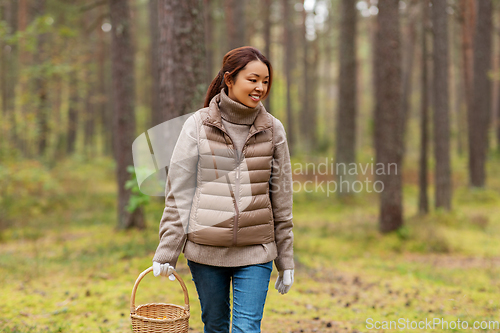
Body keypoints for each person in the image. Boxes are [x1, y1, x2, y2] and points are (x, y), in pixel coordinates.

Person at [152, 46, 294, 333]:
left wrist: (286, 259)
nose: (260, 88)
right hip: (206, 252)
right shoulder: (197, 125)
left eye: (265, 81)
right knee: (215, 326)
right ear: (229, 79)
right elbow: (178, 194)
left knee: (246, 328)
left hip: (256, 251)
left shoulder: (273, 129)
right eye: (253, 79)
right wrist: (167, 251)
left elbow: (281, 200)